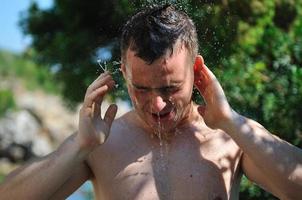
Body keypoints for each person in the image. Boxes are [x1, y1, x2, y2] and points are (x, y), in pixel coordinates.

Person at [1, 4, 302, 200]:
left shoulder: (229, 137)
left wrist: (231, 122)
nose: (158, 105)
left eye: (171, 88)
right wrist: (78, 146)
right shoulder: (101, 145)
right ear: (124, 74)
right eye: (141, 88)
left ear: (197, 72)